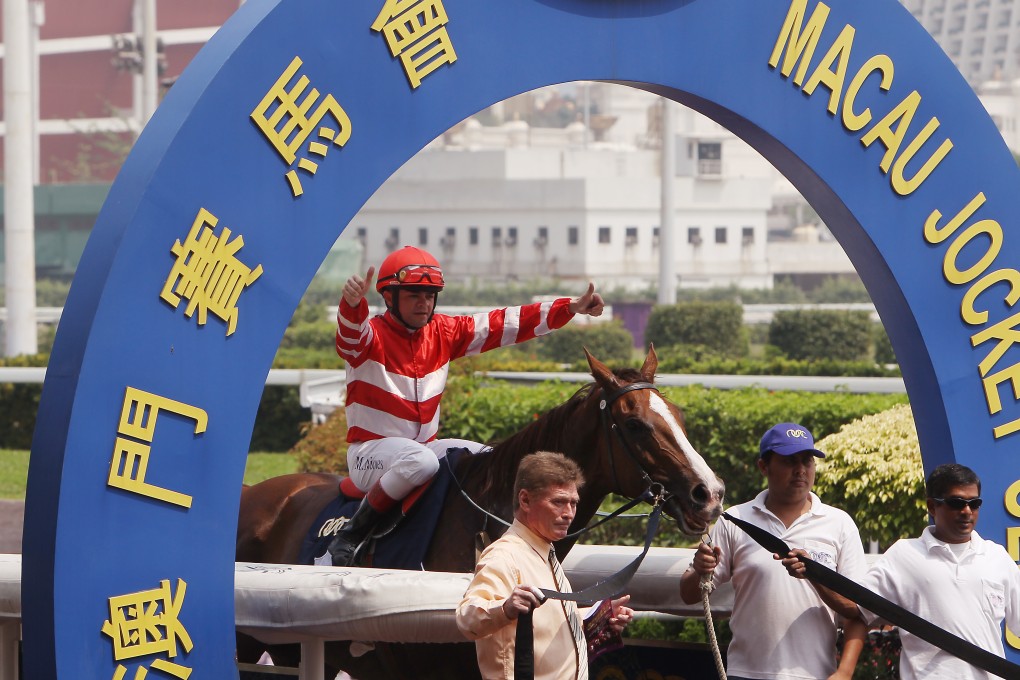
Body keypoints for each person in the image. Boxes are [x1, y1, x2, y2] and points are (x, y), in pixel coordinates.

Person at [327, 246, 606, 566]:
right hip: (370, 456)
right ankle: (351, 533)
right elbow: (349, 338)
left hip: (421, 449)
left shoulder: (444, 331)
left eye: (430, 295)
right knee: (422, 462)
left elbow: (505, 323)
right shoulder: (370, 337)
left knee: (489, 459)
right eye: (414, 294)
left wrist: (569, 307)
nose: (424, 302)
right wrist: (351, 305)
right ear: (389, 297)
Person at [786, 463, 1020, 680]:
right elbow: (854, 607)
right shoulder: (904, 555)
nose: (967, 511)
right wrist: (812, 573)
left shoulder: (997, 558)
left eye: (974, 503)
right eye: (957, 503)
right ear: (932, 506)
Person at [679, 422, 869, 680]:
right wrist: (700, 569)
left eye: (807, 461)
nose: (801, 470)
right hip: (745, 674)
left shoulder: (839, 523)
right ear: (763, 467)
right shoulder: (734, 519)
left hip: (816, 675)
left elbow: (859, 610)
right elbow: (690, 594)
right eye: (790, 461)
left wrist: (844, 673)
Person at [456, 451, 634, 680]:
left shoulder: (542, 551)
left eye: (573, 503)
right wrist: (505, 608)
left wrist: (600, 618)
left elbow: (547, 625)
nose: (569, 513)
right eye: (558, 502)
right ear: (525, 500)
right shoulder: (504, 555)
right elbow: (466, 618)